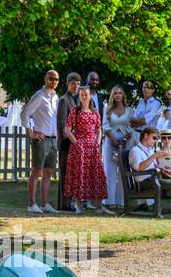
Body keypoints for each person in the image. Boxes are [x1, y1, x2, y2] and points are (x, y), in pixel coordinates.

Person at [128, 127, 171, 218]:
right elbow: (139, 168)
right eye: (154, 138)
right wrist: (154, 156)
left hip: (155, 179)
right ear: (146, 135)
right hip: (143, 182)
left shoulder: (150, 150)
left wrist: (165, 169)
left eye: (156, 138)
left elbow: (155, 167)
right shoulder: (135, 150)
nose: (155, 141)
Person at [63, 86, 108, 212]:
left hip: (93, 147)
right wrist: (76, 143)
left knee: (97, 175)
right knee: (79, 175)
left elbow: (99, 130)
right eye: (81, 95)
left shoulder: (95, 113)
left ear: (90, 96)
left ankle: (99, 206)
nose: (83, 97)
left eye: (86, 95)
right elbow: (68, 129)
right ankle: (79, 206)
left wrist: (97, 144)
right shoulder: (75, 111)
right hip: (79, 147)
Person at [21, 69, 59, 213]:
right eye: (51, 79)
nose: (53, 82)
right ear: (45, 79)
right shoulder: (39, 96)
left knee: (48, 172)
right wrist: (31, 132)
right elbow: (24, 113)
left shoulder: (56, 97)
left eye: (56, 80)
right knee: (36, 170)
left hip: (53, 138)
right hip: (41, 138)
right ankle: (32, 204)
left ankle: (45, 204)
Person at [101, 85, 132, 208]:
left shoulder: (129, 110)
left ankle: (121, 201)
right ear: (112, 95)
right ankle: (109, 201)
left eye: (120, 93)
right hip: (110, 142)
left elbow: (130, 126)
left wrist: (124, 139)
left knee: (122, 171)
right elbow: (105, 125)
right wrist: (113, 140)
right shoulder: (107, 109)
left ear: (123, 95)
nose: (118, 95)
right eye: (115, 93)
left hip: (124, 143)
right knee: (110, 171)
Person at [55, 72, 82, 210]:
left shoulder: (78, 100)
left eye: (78, 84)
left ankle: (73, 202)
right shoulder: (64, 100)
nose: (75, 86)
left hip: (76, 142)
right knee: (65, 174)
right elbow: (62, 125)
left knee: (74, 174)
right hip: (66, 143)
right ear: (67, 84)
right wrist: (70, 141)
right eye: (73, 83)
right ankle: (64, 204)